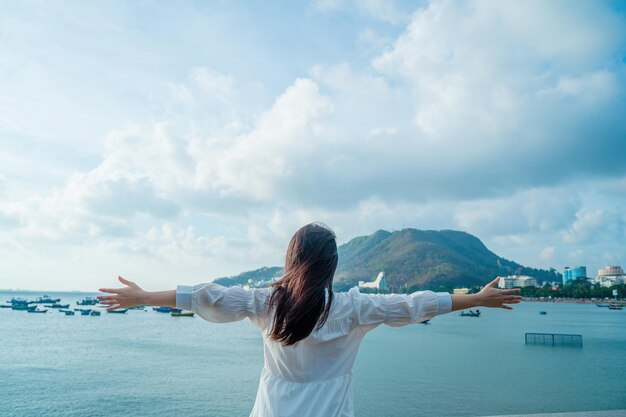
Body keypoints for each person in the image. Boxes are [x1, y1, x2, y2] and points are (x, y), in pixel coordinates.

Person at [97, 222, 522, 417]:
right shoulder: (355, 308)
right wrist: (477, 299)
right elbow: (416, 304)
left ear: (291, 261)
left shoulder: (267, 302)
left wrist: (142, 297)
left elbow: (207, 295)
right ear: (332, 265)